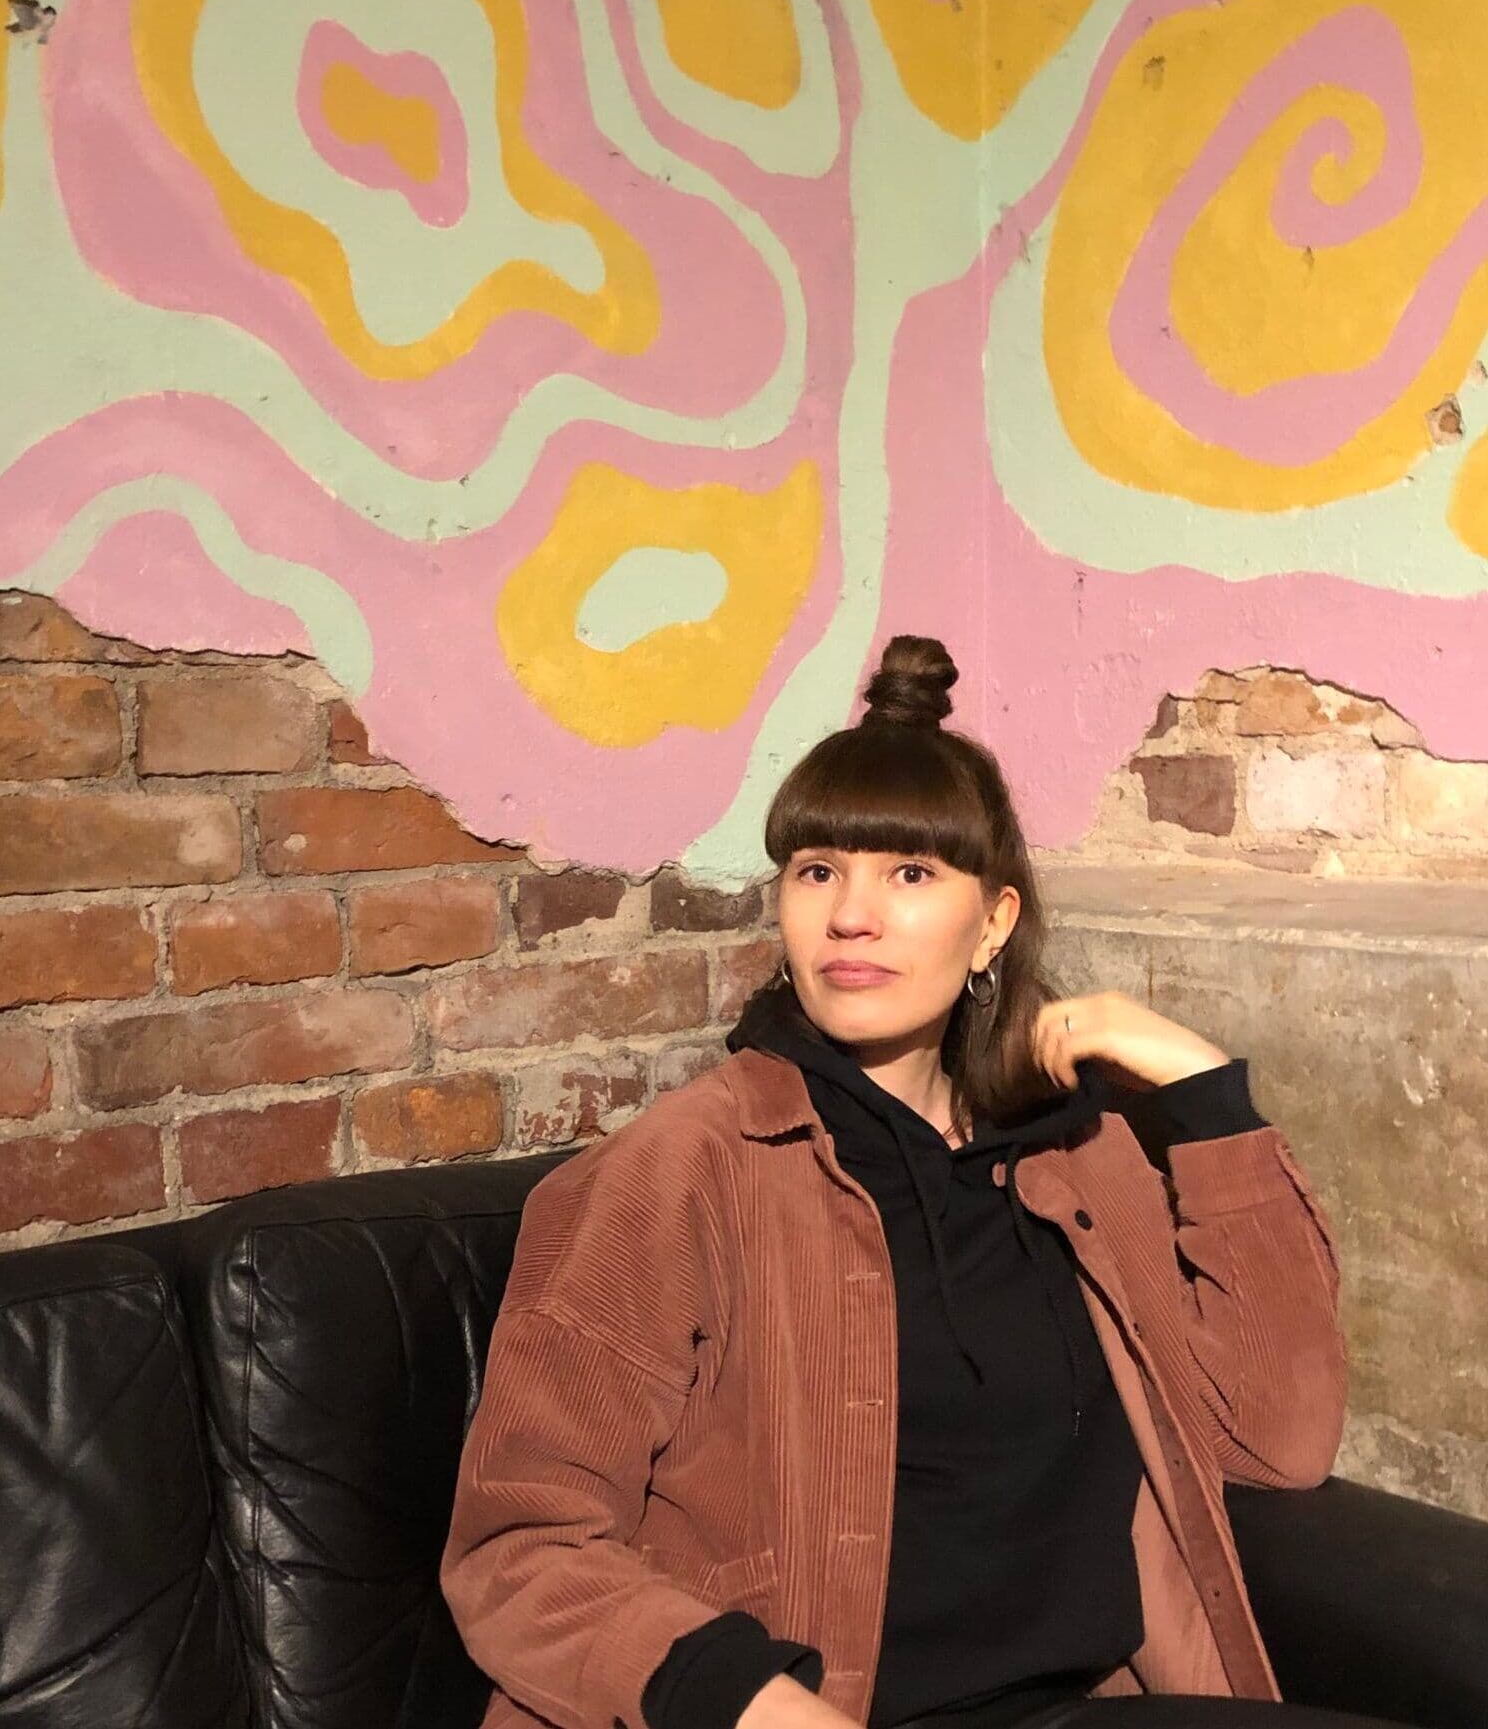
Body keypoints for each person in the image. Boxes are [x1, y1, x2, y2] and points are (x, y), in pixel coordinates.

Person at [441, 636, 1372, 1729]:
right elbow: (521, 1547)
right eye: (818, 871)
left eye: (911, 875)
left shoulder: (1076, 1156)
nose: (851, 916)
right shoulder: (678, 1172)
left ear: (993, 926)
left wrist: (1206, 1101)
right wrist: (750, 1701)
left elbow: (1273, 1440)